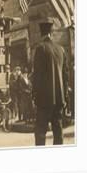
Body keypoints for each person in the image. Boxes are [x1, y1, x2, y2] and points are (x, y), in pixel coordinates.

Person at [32, 17, 69, 146]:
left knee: (40, 133)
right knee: (58, 131)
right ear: (51, 32)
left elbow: (36, 76)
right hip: (59, 99)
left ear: (41, 33)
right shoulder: (61, 49)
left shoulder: (40, 49)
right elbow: (65, 76)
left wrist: (34, 95)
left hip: (44, 99)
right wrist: (64, 97)